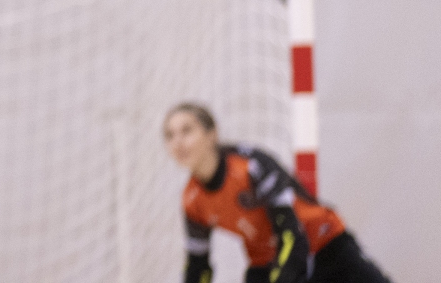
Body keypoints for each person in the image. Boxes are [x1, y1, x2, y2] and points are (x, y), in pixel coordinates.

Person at [164, 103, 393, 283]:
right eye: (170, 135)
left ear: (212, 134)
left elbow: (291, 234)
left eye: (187, 131)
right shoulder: (192, 200)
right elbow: (198, 266)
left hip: (323, 244)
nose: (178, 142)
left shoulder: (250, 167)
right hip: (268, 262)